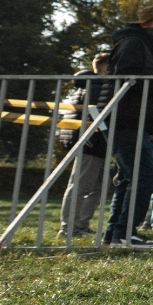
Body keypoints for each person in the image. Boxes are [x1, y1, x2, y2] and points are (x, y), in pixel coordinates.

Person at [103, 4, 153, 248]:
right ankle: (126, 232)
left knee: (130, 178)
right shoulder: (134, 44)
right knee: (144, 175)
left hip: (131, 120)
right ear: (145, 24)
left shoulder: (143, 45)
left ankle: (115, 234)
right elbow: (130, 75)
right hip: (127, 119)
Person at [59, 52, 112, 236]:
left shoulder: (89, 84)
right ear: (106, 69)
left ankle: (80, 225)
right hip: (92, 142)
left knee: (95, 188)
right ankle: (68, 228)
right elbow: (98, 114)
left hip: (96, 143)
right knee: (81, 186)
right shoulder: (97, 86)